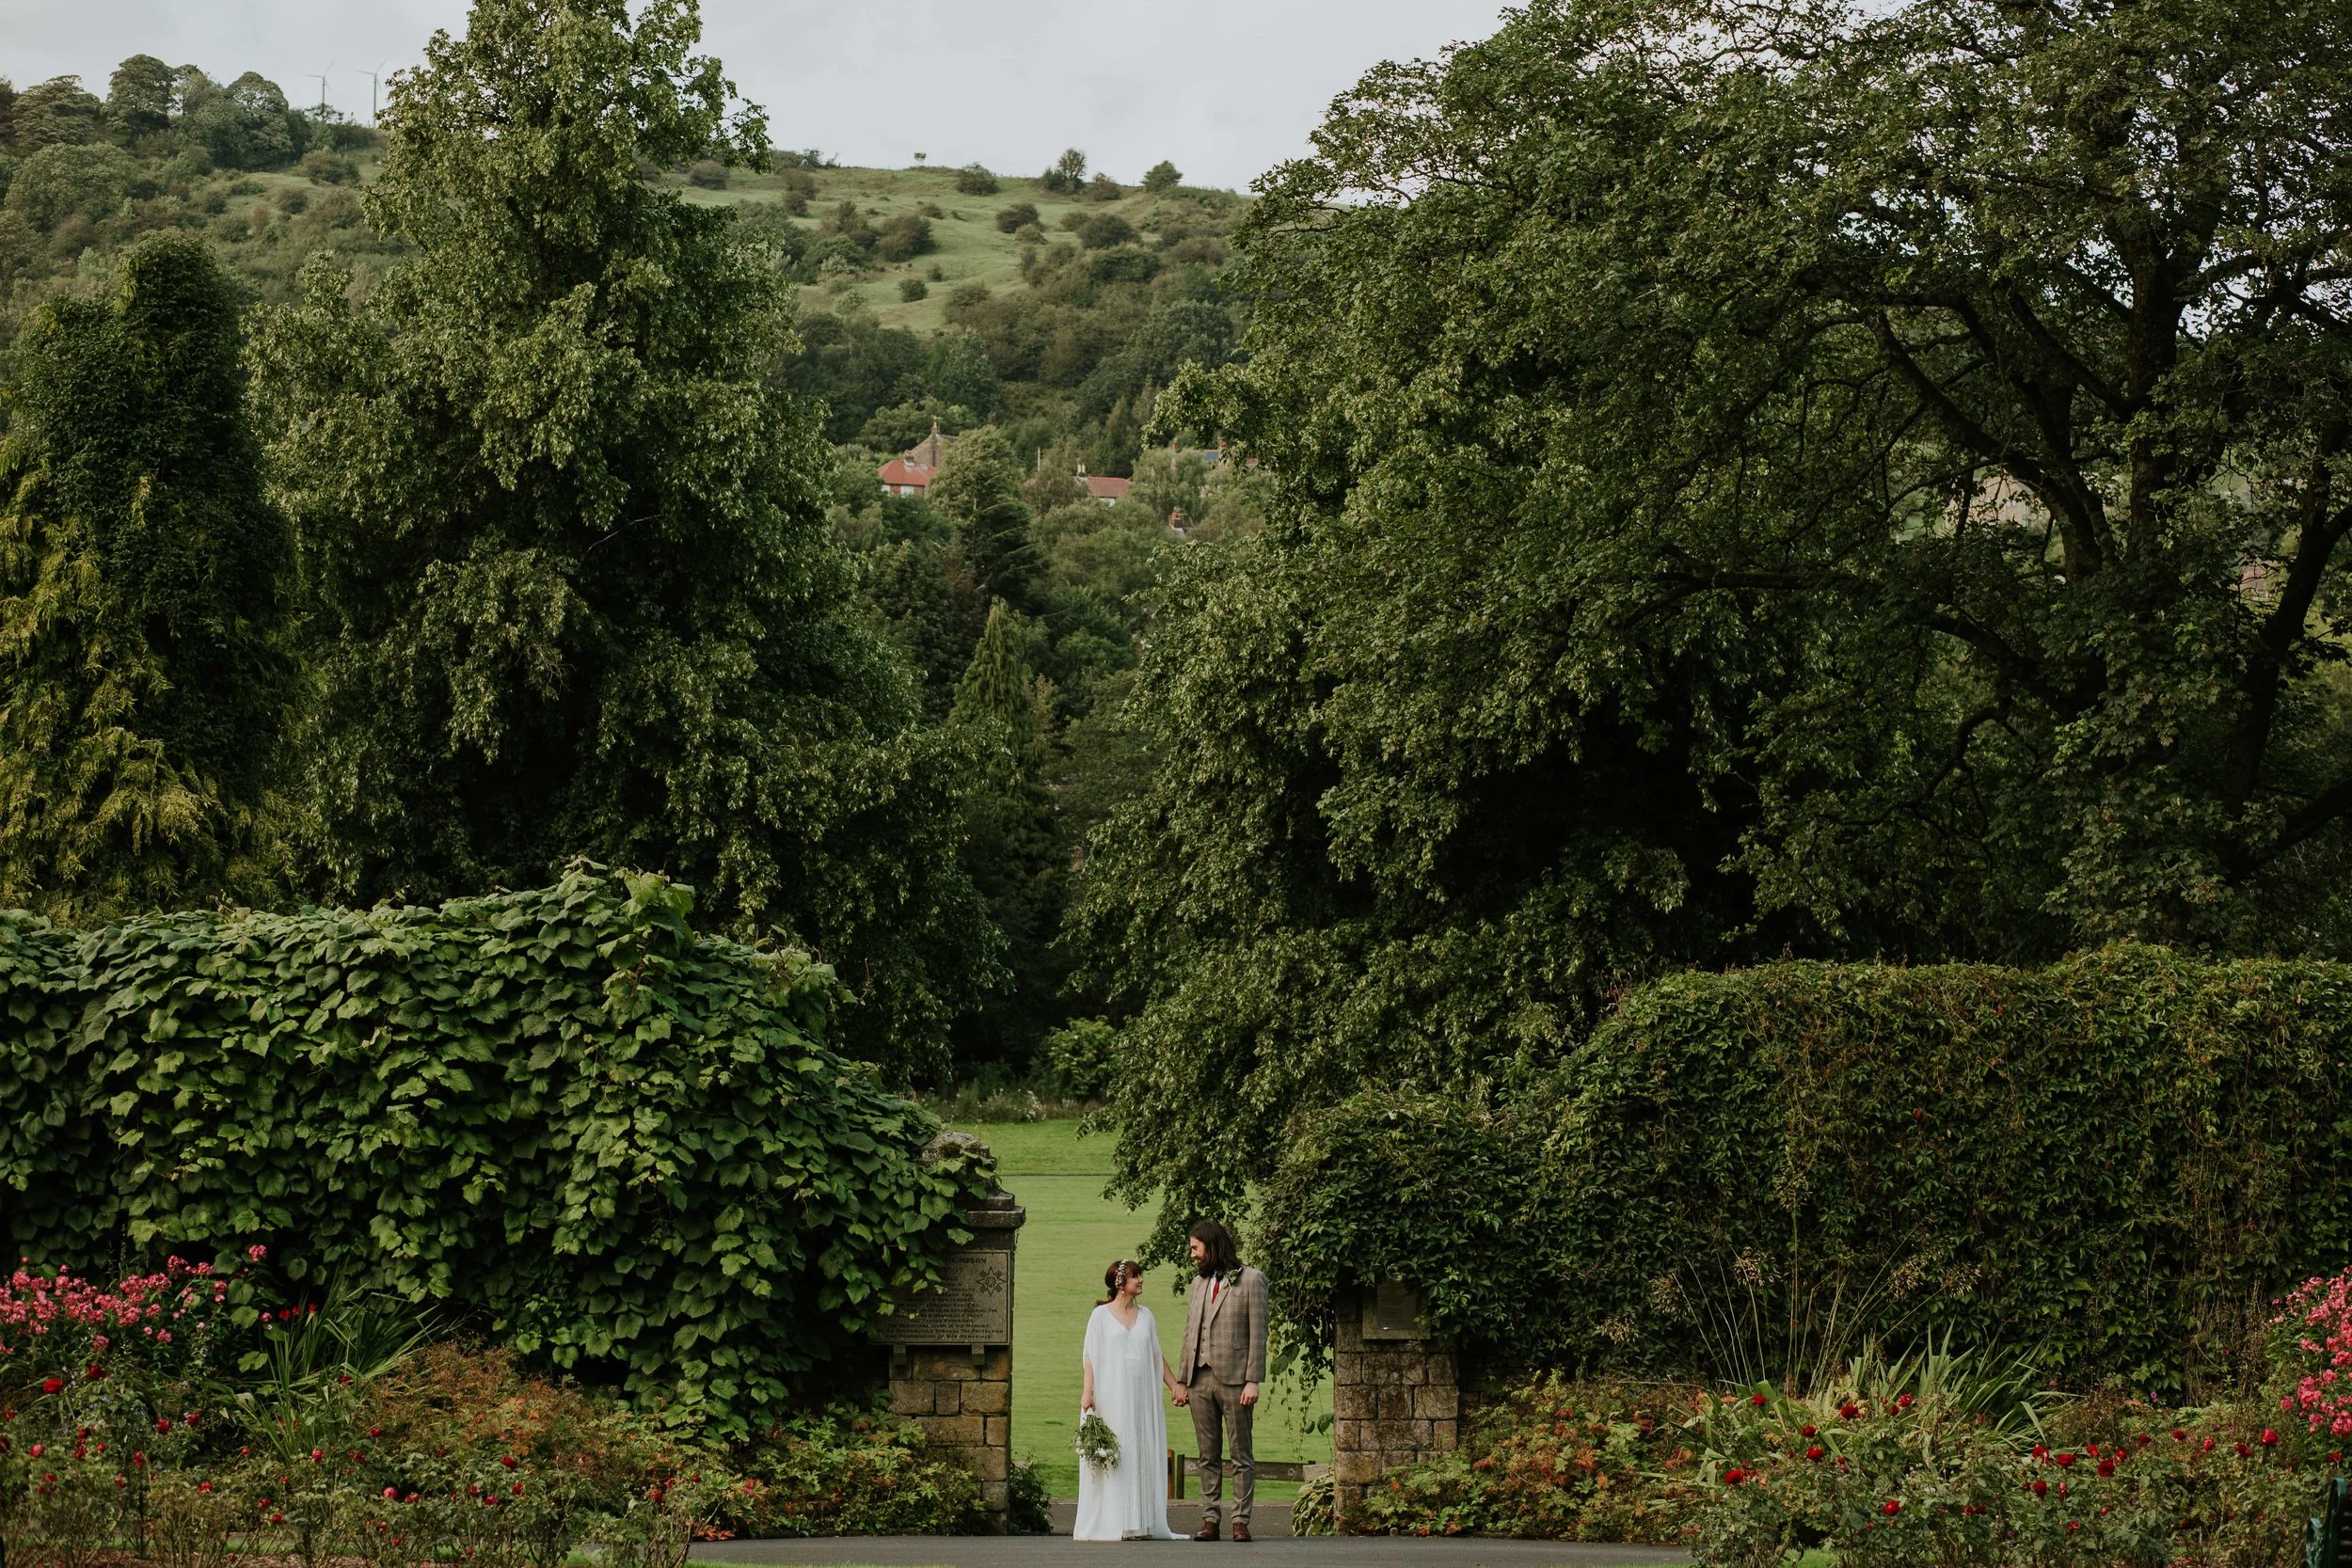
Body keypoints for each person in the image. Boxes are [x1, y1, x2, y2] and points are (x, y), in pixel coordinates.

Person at [1074, 1259, 1191, 1542]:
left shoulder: (1147, 1316)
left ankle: (1138, 1522)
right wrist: (1087, 1392)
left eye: (1140, 1275)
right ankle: (1114, 1521)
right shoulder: (1100, 1316)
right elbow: (1090, 1357)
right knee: (1115, 1453)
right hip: (1111, 1396)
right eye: (1135, 1276)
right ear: (1120, 1284)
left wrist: (1174, 1385)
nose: (1141, 1280)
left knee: (1138, 1449)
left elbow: (1155, 1356)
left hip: (1140, 1398)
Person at [1175, 1220, 1266, 1543]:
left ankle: (1240, 1520)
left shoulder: (1252, 1280)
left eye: (1195, 1248)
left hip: (1235, 1380)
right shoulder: (1198, 1283)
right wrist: (1183, 1381)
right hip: (1200, 1380)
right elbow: (1190, 1332)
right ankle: (1210, 1518)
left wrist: (1253, 1380)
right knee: (1207, 1455)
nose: (1192, 1255)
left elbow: (1259, 1334)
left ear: (1212, 1247)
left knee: (1241, 1454)